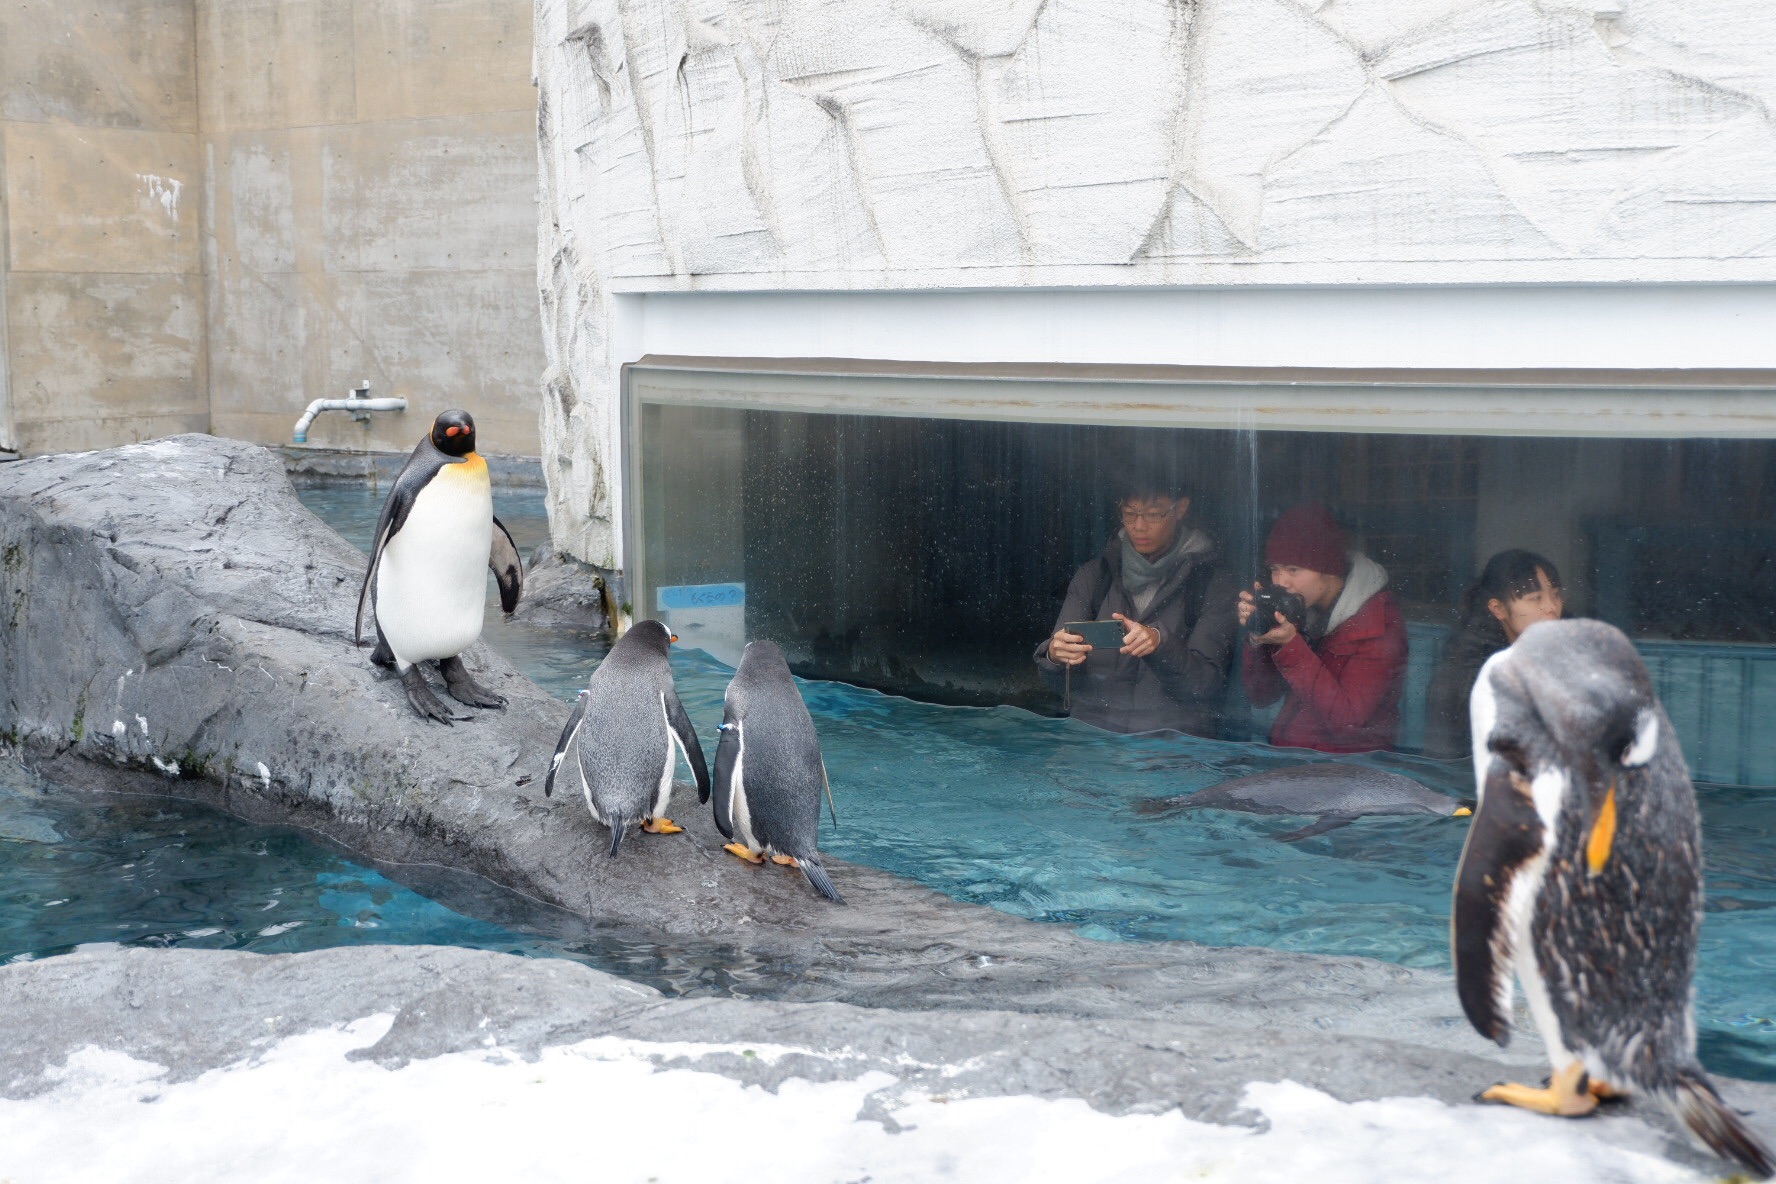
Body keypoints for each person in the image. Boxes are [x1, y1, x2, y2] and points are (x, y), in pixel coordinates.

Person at [1034, 478, 1238, 736]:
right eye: (1130, 514)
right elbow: (1062, 684)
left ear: (1181, 509)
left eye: (1153, 515)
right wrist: (1054, 656)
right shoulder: (1095, 575)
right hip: (1091, 744)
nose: (1139, 526)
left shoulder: (1212, 582)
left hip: (1171, 750)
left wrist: (1160, 644)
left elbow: (1205, 686)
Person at [1239, 503, 1408, 753]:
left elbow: (1347, 721)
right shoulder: (1302, 608)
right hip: (1293, 758)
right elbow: (1261, 696)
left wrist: (1290, 646)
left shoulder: (1377, 625)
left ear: (1329, 571)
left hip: (1351, 771)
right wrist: (1260, 633)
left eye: (1294, 570)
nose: (1281, 582)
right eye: (1275, 569)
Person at [1422, 549, 1565, 759]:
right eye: (1536, 598)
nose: (1552, 607)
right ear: (1498, 609)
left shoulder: (1578, 659)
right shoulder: (1465, 676)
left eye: (1556, 595)